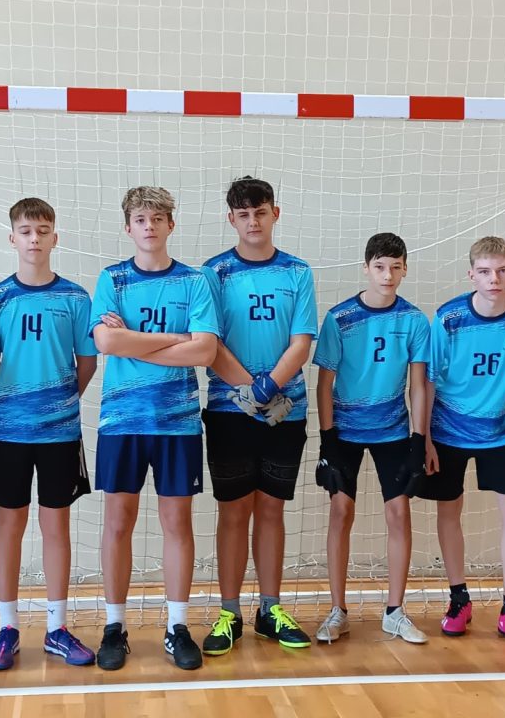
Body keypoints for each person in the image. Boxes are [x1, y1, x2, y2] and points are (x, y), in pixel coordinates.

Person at [90, 186, 219, 671]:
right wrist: (174, 339)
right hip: (121, 421)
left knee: (176, 524)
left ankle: (177, 627)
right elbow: (106, 342)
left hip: (177, 423)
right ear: (129, 227)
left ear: (171, 225)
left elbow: (205, 351)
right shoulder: (113, 279)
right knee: (117, 523)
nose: (149, 226)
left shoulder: (193, 281)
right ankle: (114, 626)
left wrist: (132, 340)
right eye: (141, 219)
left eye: (158, 218)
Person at [199, 176, 318, 657]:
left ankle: (270, 610)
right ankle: (229, 613)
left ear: (275, 214)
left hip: (285, 412)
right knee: (233, 511)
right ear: (231, 219)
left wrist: (268, 389)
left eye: (261, 212)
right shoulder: (213, 273)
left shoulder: (298, 272)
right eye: (243, 214)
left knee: (271, 510)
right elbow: (208, 343)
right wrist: (250, 389)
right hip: (229, 411)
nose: (253, 221)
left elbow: (302, 343)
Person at [0, 197, 98, 670]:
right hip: (9, 430)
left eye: (42, 231)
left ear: (55, 237)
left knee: (56, 525)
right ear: (13, 238)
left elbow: (86, 362)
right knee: (9, 524)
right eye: (26, 231)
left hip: (60, 433)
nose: (34, 239)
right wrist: (21, 398)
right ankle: (7, 628)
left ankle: (56, 628)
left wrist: (56, 402)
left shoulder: (75, 298)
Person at [422, 236, 505, 652]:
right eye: (485, 271)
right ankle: (459, 599)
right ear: (471, 275)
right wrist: (424, 439)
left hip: (500, 431)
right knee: (449, 509)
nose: (494, 278)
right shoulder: (449, 318)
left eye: (502, 271)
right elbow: (427, 380)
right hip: (447, 430)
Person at [312, 232, 430, 645]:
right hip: (344, 430)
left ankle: (395, 611)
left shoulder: (414, 320)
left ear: (405, 269)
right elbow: (324, 384)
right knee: (341, 511)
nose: (388, 275)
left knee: (399, 512)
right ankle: (337, 610)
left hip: (393, 430)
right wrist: (326, 440)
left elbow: (418, 385)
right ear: (366, 268)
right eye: (380, 267)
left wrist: (419, 439)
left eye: (396, 267)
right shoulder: (340, 318)